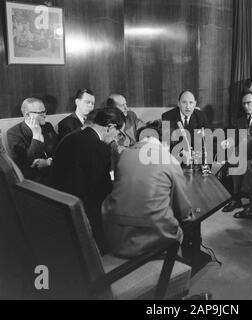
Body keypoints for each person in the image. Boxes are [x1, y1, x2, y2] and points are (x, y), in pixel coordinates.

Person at [102, 121, 194, 258]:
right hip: (152, 242)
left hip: (115, 235)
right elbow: (183, 211)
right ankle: (185, 262)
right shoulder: (169, 161)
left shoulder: (124, 155)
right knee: (186, 227)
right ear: (166, 143)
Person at [51, 107, 125, 254]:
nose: (118, 138)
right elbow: (102, 193)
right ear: (110, 127)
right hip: (83, 217)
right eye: (119, 133)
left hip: (60, 207)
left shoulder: (70, 137)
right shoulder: (99, 147)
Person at [7, 98, 57, 184]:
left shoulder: (48, 126)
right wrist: (36, 135)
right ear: (27, 115)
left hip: (54, 171)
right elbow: (28, 162)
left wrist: (48, 162)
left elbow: (58, 149)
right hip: (34, 180)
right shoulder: (14, 133)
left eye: (45, 111)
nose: (44, 115)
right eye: (40, 113)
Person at [162, 90, 208, 158]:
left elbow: (206, 140)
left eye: (191, 102)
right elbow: (166, 143)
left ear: (195, 104)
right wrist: (180, 153)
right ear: (178, 103)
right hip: (175, 157)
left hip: (195, 157)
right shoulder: (167, 116)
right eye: (184, 102)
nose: (188, 106)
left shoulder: (201, 116)